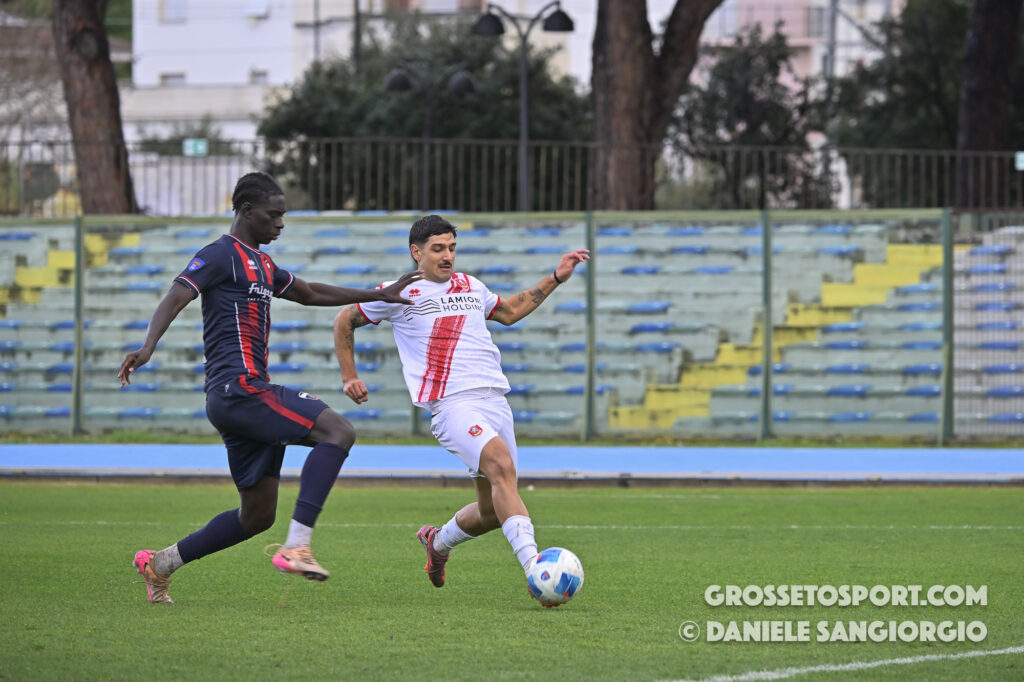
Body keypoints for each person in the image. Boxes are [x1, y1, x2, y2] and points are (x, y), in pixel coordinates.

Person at [119, 171, 421, 603]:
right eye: (273, 215)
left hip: (239, 397)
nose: (280, 223)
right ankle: (297, 546)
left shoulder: (262, 264)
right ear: (247, 211)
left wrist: (380, 294)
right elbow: (177, 295)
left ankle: (160, 564)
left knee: (257, 516)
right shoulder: (220, 254)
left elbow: (310, 292)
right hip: (239, 390)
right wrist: (148, 346)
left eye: (283, 216)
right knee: (338, 431)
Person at [333, 214, 588, 601]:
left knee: (493, 510)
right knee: (501, 466)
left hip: (495, 400)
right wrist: (349, 375)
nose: (447, 255)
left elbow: (509, 312)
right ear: (416, 252)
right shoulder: (397, 292)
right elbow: (344, 319)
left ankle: (437, 543)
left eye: (452, 248)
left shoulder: (471, 285)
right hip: (452, 405)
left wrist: (556, 277)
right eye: (438, 249)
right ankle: (536, 571)